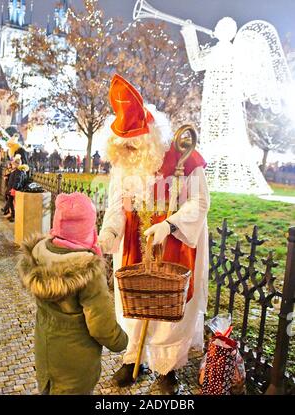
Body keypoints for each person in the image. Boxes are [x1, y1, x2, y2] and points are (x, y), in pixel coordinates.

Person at [99, 74, 210, 394]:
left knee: (169, 307)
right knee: (132, 303)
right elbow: (117, 204)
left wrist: (171, 224)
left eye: (135, 145)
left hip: (173, 247)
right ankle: (132, 361)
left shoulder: (184, 159)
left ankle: (167, 370)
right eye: (124, 147)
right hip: (134, 246)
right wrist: (109, 233)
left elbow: (200, 201)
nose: (129, 152)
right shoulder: (124, 161)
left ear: (150, 137)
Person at [17, 192, 128, 395]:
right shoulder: (88, 271)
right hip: (76, 364)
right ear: (87, 227)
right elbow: (100, 325)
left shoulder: (40, 255)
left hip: (46, 354)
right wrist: (121, 341)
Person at [5, 156, 29, 222]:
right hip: (13, 189)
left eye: (13, 164)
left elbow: (17, 181)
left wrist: (13, 189)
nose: (12, 165)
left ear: (16, 164)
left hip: (14, 189)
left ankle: (13, 215)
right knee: (11, 202)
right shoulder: (19, 170)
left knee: (11, 202)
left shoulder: (19, 171)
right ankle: (12, 214)